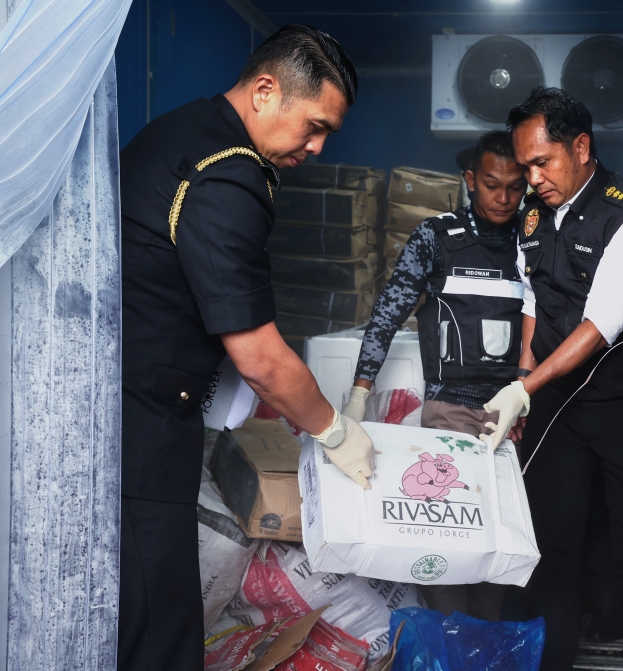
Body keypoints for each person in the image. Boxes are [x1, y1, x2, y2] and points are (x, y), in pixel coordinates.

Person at [118, 25, 375, 671]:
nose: (316, 147)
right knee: (158, 623)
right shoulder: (228, 177)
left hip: (123, 401)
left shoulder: (179, 131)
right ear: (265, 90)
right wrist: (336, 431)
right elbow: (259, 358)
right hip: (140, 421)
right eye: (314, 126)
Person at [481, 87, 623, 670]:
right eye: (524, 164)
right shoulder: (534, 214)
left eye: (541, 162)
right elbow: (536, 300)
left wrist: (520, 390)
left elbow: (600, 322)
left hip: (622, 407)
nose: (531, 179)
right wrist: (526, 385)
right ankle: (541, 661)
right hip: (555, 401)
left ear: (581, 148)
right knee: (549, 541)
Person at [342, 130, 528, 620]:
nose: (504, 197)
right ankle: (448, 646)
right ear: (469, 180)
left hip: (520, 419)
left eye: (515, 186)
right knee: (451, 554)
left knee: (502, 560)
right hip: (451, 415)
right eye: (492, 184)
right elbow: (387, 313)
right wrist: (359, 395)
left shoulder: (534, 240)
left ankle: (483, 647)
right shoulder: (436, 238)